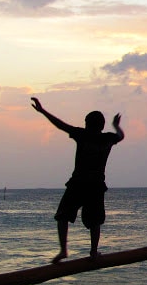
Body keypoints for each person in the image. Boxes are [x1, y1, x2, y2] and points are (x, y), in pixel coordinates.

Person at [31, 97, 125, 263]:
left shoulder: (82, 135)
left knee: (63, 216)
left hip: (79, 183)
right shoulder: (107, 139)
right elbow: (120, 135)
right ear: (102, 126)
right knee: (94, 221)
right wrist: (116, 125)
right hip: (95, 185)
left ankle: (63, 250)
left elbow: (60, 125)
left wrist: (42, 111)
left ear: (88, 124)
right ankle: (93, 252)